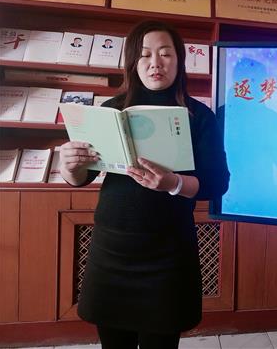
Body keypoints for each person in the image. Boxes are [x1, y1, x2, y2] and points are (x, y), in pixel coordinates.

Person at [59, 20, 230, 349]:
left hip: (168, 255)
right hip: (112, 250)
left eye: (165, 54)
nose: (155, 63)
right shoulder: (110, 110)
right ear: (133, 62)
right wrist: (70, 167)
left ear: (179, 61)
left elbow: (218, 183)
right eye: (145, 54)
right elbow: (83, 177)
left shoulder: (198, 116)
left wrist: (173, 182)